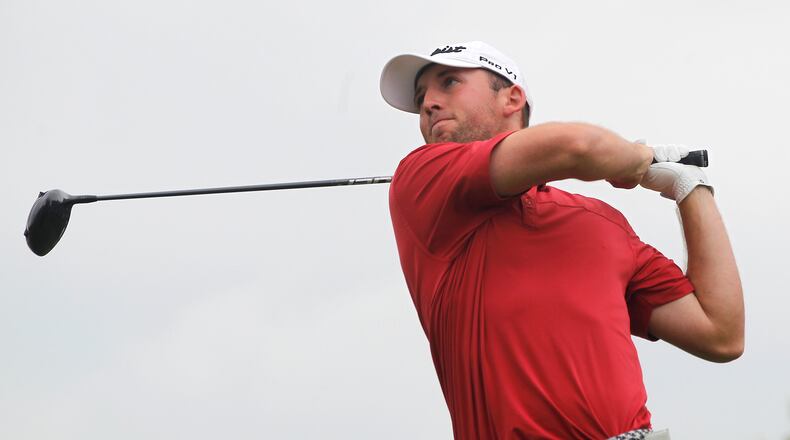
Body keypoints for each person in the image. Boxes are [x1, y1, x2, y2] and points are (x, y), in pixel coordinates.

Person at [379, 41, 743, 440]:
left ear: (512, 98)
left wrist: (691, 187)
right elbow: (579, 148)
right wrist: (637, 159)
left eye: (449, 82)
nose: (429, 103)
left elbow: (720, 334)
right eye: (421, 97)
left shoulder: (601, 222)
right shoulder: (423, 178)